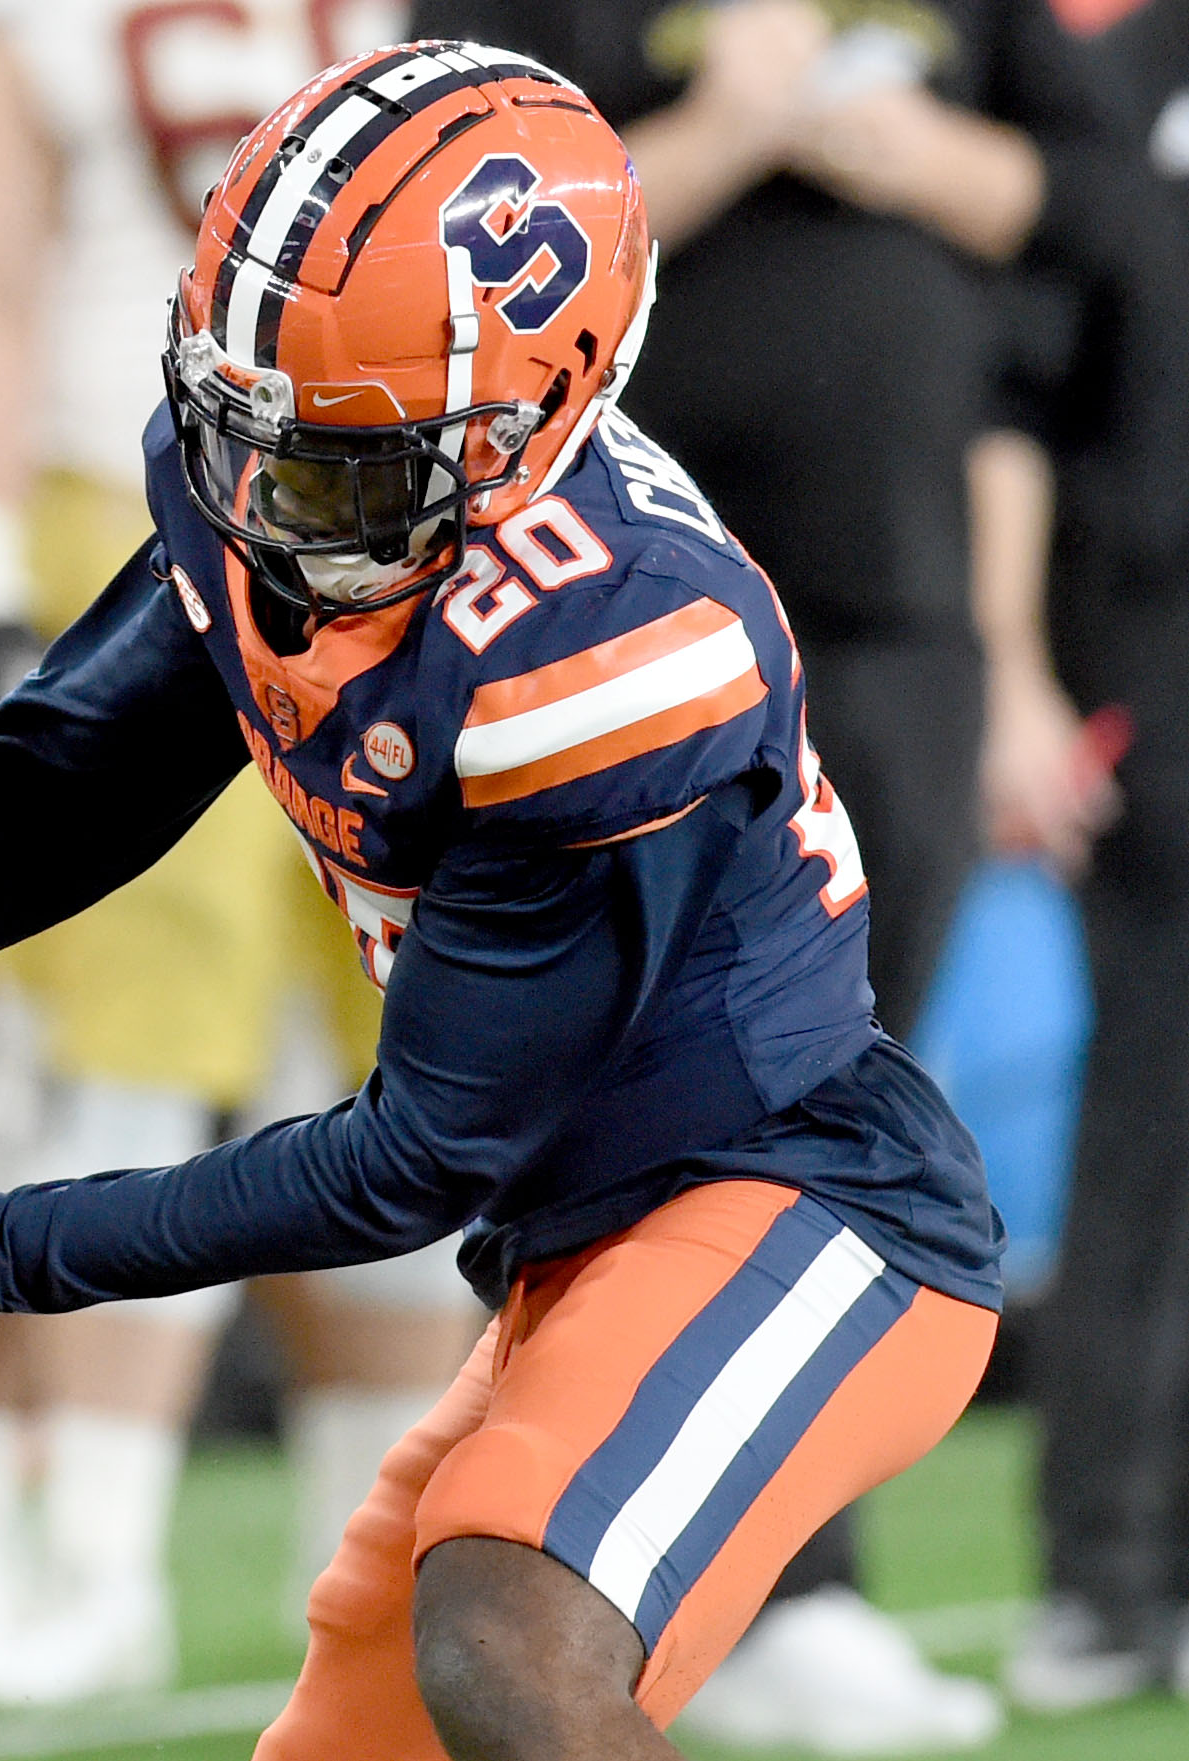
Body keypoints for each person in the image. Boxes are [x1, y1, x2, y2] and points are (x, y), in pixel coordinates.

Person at [0, 45, 1004, 1760]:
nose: (263, 510)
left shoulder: (609, 658)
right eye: (240, 434)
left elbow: (407, 1161)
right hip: (578, 1238)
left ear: (530, 423)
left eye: (336, 472)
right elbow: (79, 772)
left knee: (510, 1641)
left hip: (799, 1206)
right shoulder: (298, 440)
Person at [394, 3, 1149, 1747]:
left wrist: (912, 150)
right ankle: (672, 1580)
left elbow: (1096, 207)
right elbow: (413, 265)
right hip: (608, 640)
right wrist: (723, 130)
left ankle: (777, 1578)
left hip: (901, 623)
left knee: (841, 1097)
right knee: (644, 1111)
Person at [0, 4, 480, 1701]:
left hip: (399, 531)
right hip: (138, 511)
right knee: (110, 1055)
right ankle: (97, 1552)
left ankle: (366, 1548)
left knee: (407, 1051)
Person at [992, 0, 1189, 1710]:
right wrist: (1017, 667)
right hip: (1150, 647)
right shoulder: (1092, 88)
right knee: (1147, 1130)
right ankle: (1108, 1579)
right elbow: (1021, 396)